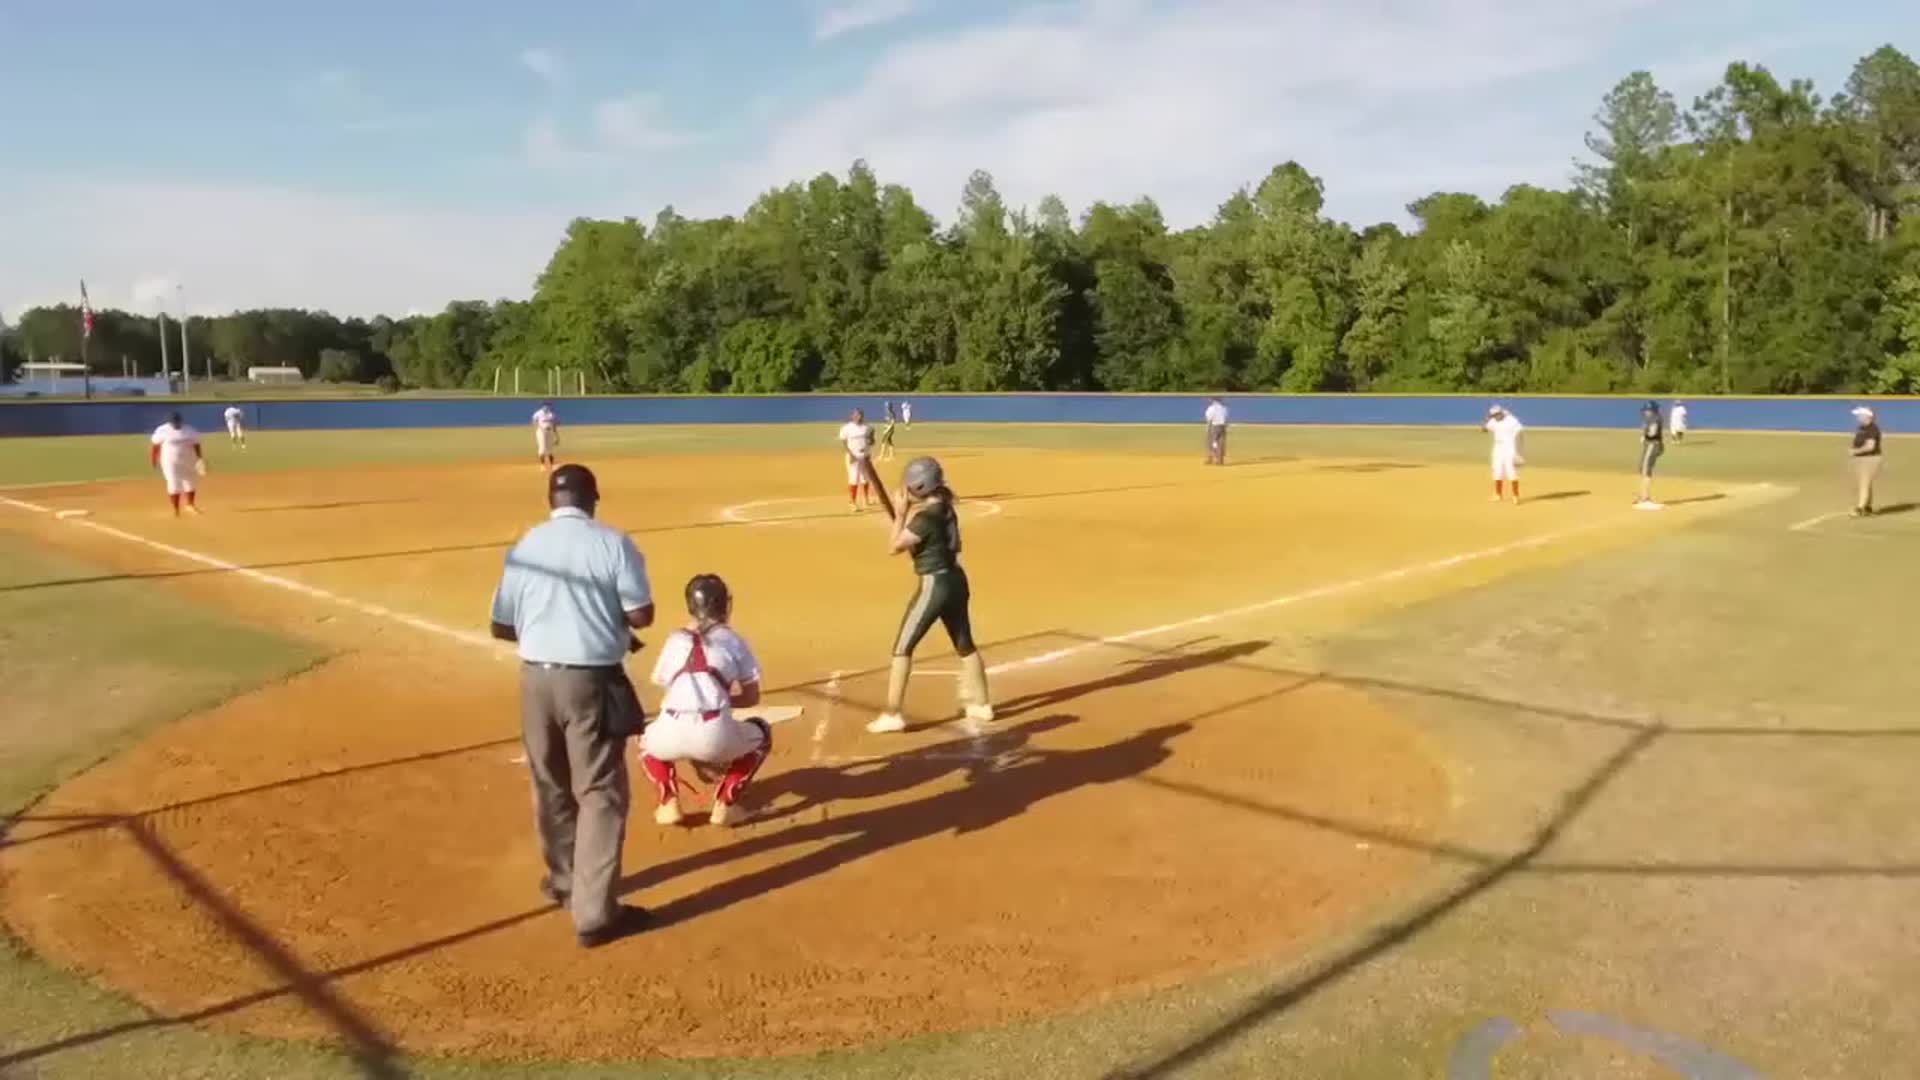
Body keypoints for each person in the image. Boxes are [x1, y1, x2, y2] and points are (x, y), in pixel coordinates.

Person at [489, 464, 654, 949]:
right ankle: (595, 914)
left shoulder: (525, 547)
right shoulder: (612, 543)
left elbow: (500, 624)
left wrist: (550, 621)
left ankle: (564, 880)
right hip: (590, 680)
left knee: (551, 782)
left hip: (535, 680)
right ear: (593, 500)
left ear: (550, 500)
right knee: (600, 791)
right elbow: (640, 613)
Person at [869, 456, 995, 734]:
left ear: (920, 487)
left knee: (903, 647)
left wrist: (900, 515)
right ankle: (982, 704)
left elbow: (894, 547)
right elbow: (920, 546)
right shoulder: (946, 509)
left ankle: (892, 714)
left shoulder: (924, 519)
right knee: (965, 643)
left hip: (934, 585)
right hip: (956, 580)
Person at [638, 574, 772, 828]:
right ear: (725, 604)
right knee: (763, 733)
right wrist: (720, 699)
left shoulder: (674, 639)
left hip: (669, 730)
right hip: (715, 733)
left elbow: (673, 688)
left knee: (644, 739)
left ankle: (668, 803)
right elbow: (751, 697)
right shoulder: (734, 640)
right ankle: (725, 804)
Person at [149, 411, 205, 516]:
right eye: (174, 422)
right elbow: (155, 446)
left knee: (190, 482)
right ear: (169, 422)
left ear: (181, 421)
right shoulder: (162, 430)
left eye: (177, 421)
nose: (176, 424)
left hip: (188, 460)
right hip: (169, 461)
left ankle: (190, 505)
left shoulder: (189, 430)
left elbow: (196, 444)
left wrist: (199, 458)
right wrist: (153, 459)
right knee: (173, 483)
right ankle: (176, 509)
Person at [1484, 404, 1525, 504]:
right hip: (1497, 447)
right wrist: (1487, 419)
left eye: (1496, 415)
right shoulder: (1493, 421)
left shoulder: (1511, 420)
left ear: (1501, 413)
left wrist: (1519, 450)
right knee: (1497, 470)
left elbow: (1520, 432)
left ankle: (1516, 496)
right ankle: (1498, 495)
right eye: (1493, 415)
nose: (1495, 417)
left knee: (1510, 469)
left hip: (1509, 446)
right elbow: (1484, 429)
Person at [839, 408, 877, 512]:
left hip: (865, 456)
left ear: (862, 416)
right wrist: (850, 454)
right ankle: (852, 502)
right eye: (856, 415)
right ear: (852, 416)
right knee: (854, 479)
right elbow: (844, 443)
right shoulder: (847, 428)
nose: (858, 417)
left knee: (865, 479)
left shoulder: (867, 427)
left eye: (860, 415)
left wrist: (871, 440)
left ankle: (866, 499)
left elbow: (872, 441)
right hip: (853, 457)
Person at [1850, 406, 1884, 517]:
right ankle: (1867, 507)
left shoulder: (1872, 429)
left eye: (1860, 415)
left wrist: (1855, 451)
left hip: (1870, 459)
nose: (1858, 417)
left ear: (1867, 416)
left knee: (1864, 483)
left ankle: (1860, 508)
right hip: (1863, 459)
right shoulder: (1862, 428)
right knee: (1866, 483)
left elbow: (1870, 446)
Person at [1635, 401, 1665, 509]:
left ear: (1653, 411)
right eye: (1646, 410)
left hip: (1654, 445)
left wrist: (1645, 434)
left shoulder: (1655, 419)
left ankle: (1646, 498)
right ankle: (1642, 495)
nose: (1646, 412)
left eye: (1648, 410)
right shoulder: (1650, 419)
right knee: (1642, 468)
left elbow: (1652, 433)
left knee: (1646, 468)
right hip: (1649, 445)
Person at [532, 402, 560, 472]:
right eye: (545, 406)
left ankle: (552, 465)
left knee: (550, 449)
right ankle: (542, 465)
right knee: (542, 448)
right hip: (541, 432)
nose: (547, 407)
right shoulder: (538, 413)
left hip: (550, 431)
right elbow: (534, 421)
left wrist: (556, 436)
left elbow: (554, 425)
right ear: (542, 406)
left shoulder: (551, 414)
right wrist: (539, 428)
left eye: (548, 406)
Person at [1204, 397, 1229, 465]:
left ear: (1214, 401)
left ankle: (1212, 458)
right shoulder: (1224, 408)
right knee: (1221, 443)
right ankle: (1220, 460)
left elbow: (1209, 419)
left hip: (1214, 427)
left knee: (1213, 443)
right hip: (1223, 427)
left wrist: (1208, 428)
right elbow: (1226, 419)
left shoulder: (1211, 408)